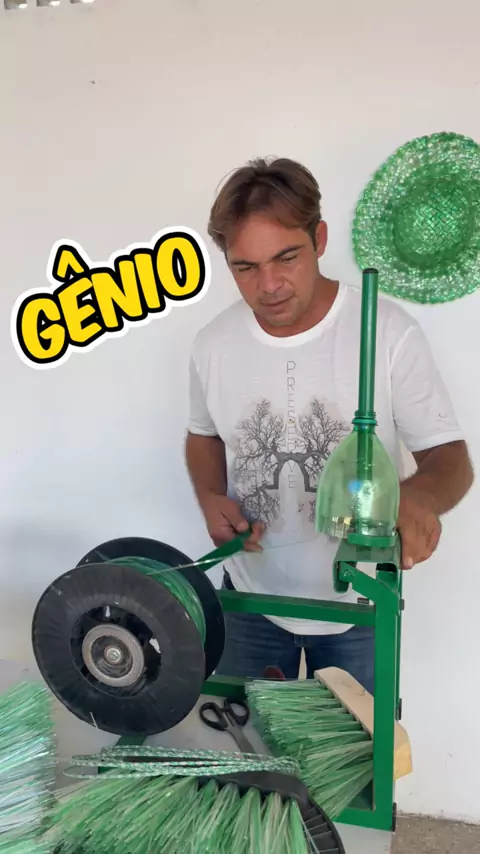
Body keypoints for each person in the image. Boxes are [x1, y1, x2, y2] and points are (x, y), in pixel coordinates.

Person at [184, 156, 473, 692]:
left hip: (359, 601)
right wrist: (210, 496)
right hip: (247, 598)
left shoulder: (387, 331)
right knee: (241, 743)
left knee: (358, 747)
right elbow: (203, 434)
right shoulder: (212, 345)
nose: (269, 284)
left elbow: (450, 458)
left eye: (286, 257)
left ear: (318, 238)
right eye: (245, 268)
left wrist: (420, 498)